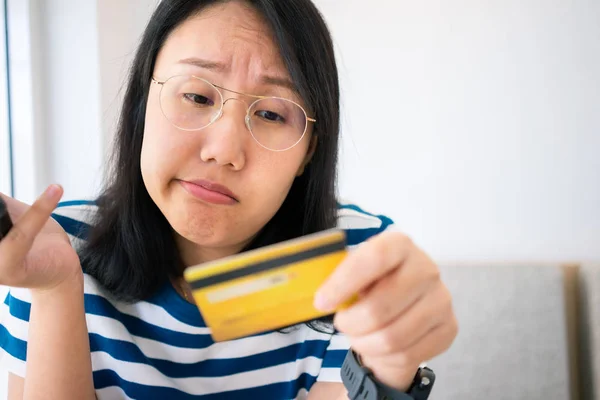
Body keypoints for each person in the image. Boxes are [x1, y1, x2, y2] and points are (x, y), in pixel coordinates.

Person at [0, 0, 458, 398]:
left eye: (271, 113)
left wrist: (388, 367)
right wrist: (56, 289)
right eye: (197, 95)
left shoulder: (354, 259)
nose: (224, 149)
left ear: (309, 151)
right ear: (142, 104)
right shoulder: (53, 248)